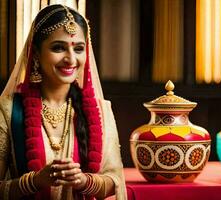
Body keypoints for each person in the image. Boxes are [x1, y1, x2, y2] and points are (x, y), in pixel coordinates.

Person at [0, 4, 127, 200]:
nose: (71, 58)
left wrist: (85, 182)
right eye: (58, 47)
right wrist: (34, 181)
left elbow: (115, 182)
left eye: (78, 48)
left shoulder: (101, 111)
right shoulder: (8, 110)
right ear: (36, 54)